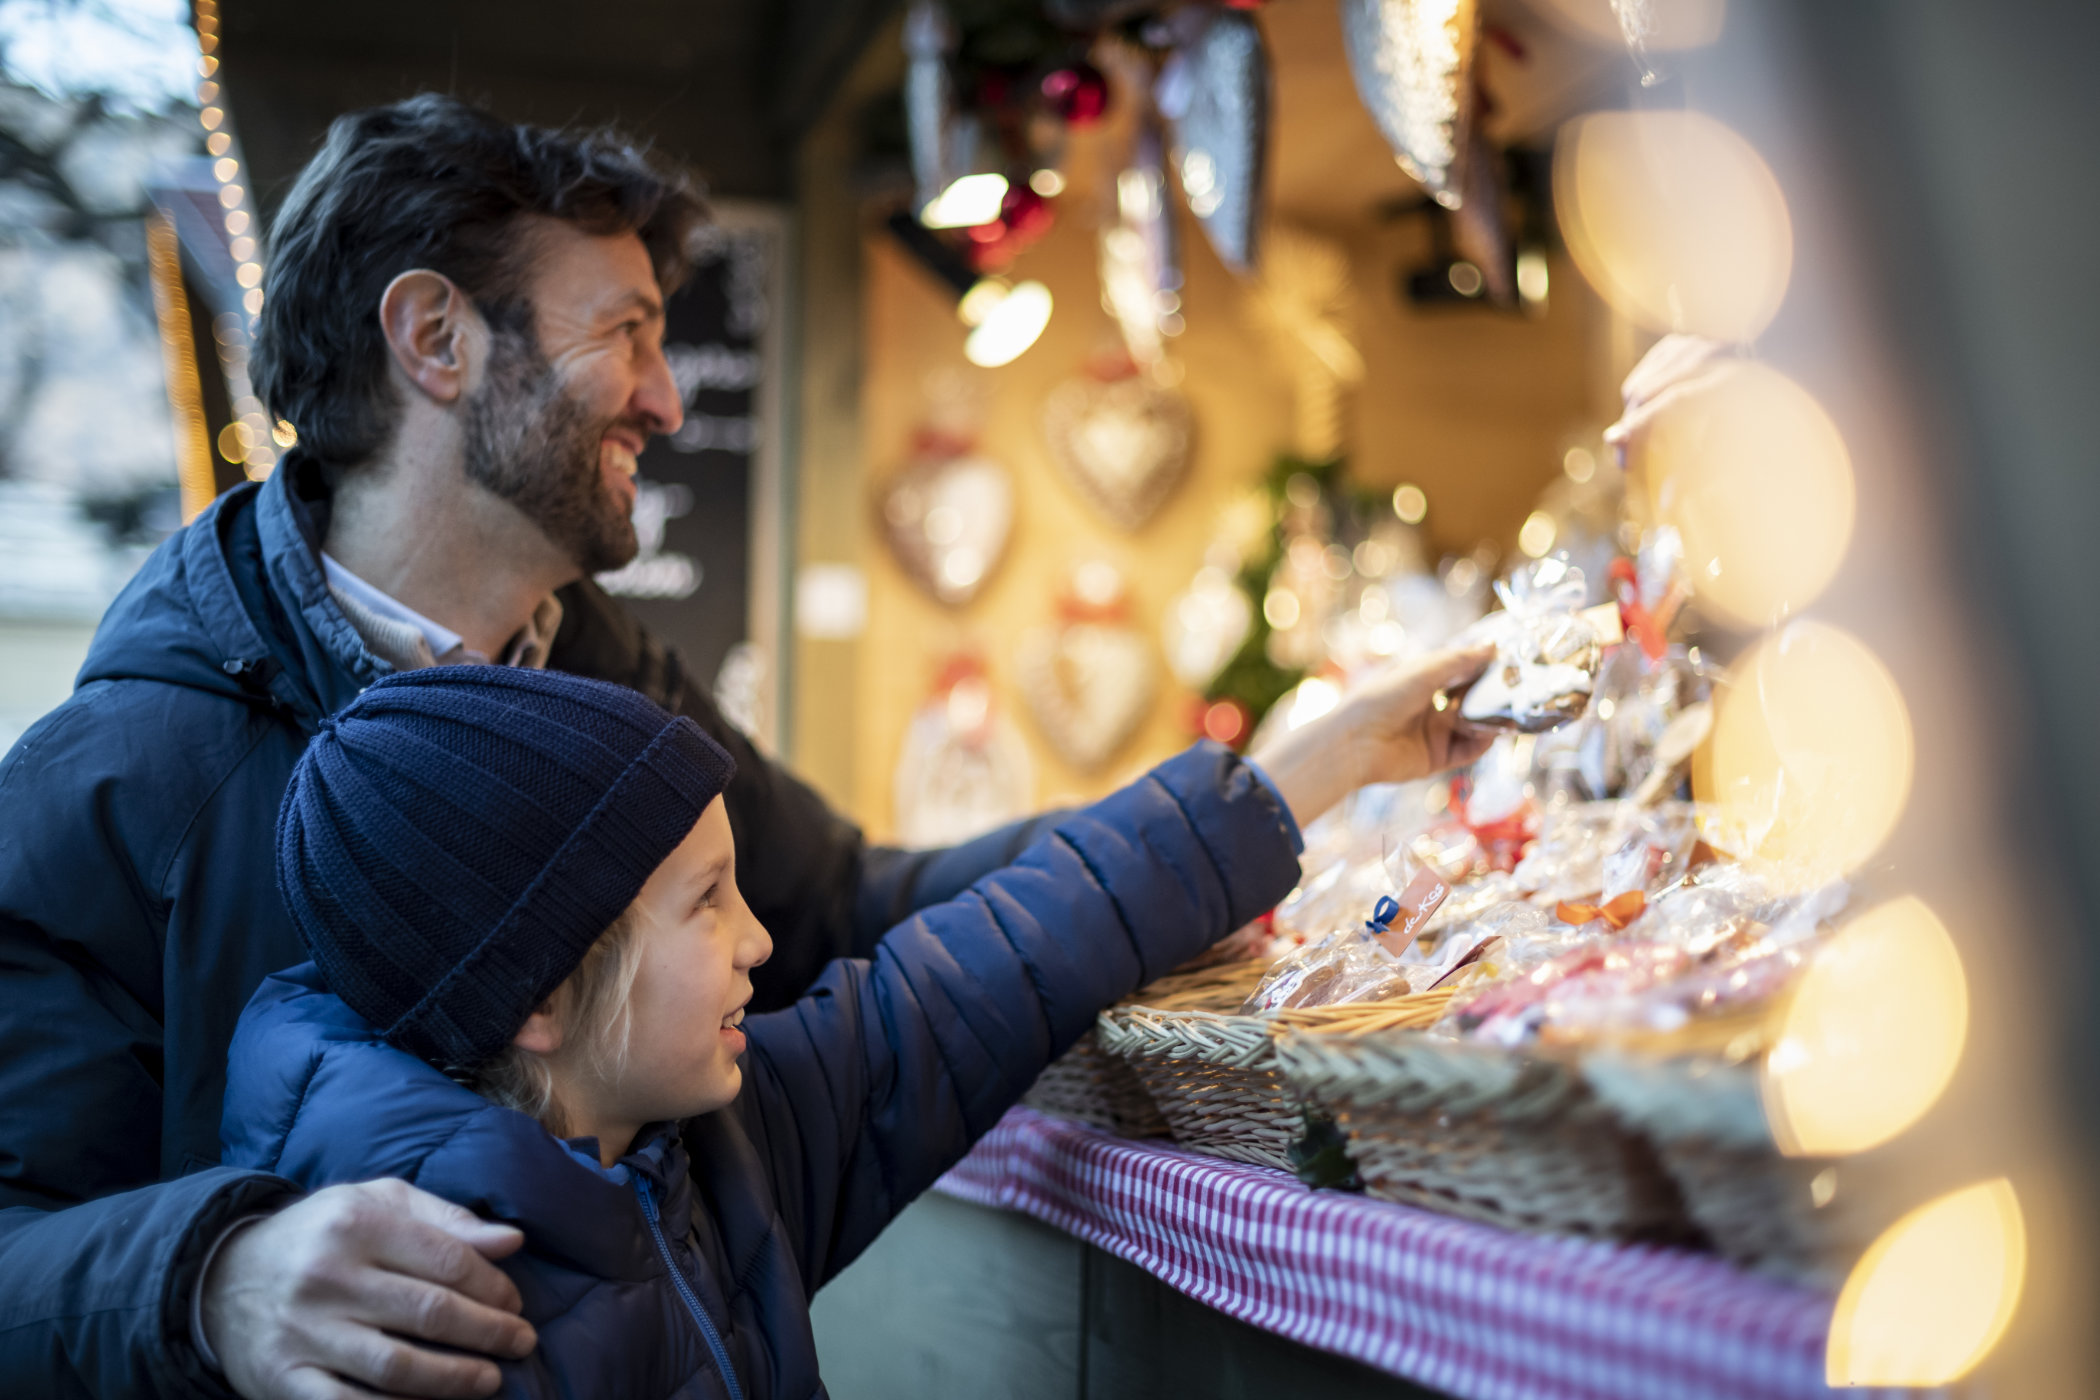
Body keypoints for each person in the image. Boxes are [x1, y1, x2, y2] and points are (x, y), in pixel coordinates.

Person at [0, 92, 1495, 1399]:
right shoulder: (125, 775)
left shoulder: (610, 678)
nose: (664, 396)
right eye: (625, 334)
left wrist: (1268, 791)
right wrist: (209, 1281)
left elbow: (855, 915)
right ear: (436, 339)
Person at [220, 665, 1312, 1400]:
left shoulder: (710, 1148)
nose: (758, 939)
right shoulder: (419, 1327)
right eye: (706, 900)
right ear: (537, 997)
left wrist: (1291, 782)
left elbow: (975, 975)